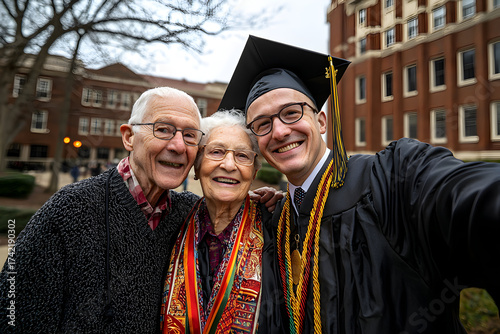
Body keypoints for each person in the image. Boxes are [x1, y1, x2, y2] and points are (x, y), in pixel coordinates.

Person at [218, 35, 500, 333]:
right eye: (262, 124)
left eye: (291, 112)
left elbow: (470, 200)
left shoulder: (393, 179)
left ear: (322, 121)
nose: (279, 131)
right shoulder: (275, 221)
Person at [0, 86, 280, 333]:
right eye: (163, 129)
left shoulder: (185, 213)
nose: (178, 145)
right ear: (128, 137)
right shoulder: (69, 210)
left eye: (190, 135)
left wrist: (257, 199)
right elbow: (13, 316)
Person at [159, 110, 270, 333]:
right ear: (197, 167)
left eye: (242, 156)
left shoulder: (276, 231)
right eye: (216, 152)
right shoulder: (170, 221)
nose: (229, 165)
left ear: (254, 170)